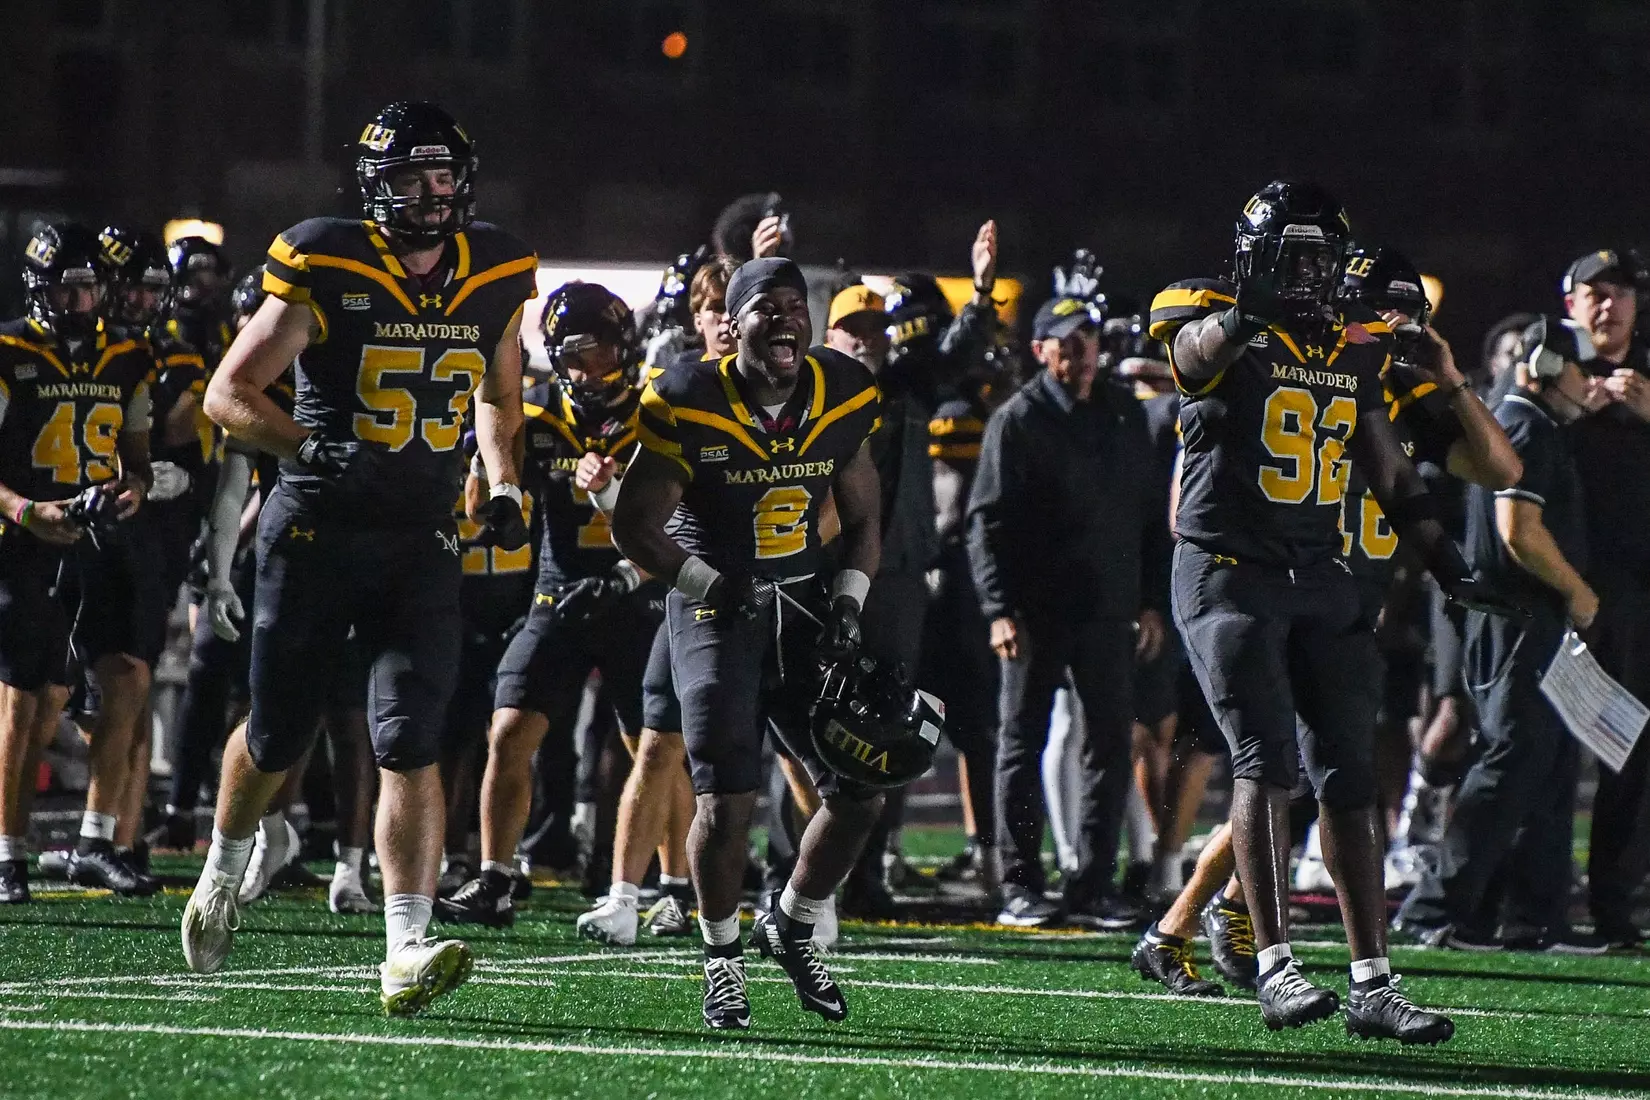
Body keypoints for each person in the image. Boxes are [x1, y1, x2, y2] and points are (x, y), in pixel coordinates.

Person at [178, 102, 537, 1018]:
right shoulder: (327, 261)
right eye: (412, 178)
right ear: (378, 186)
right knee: (279, 731)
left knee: (410, 737)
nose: (432, 195)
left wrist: (502, 482)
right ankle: (223, 866)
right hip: (317, 529)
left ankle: (405, 946)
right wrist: (305, 446)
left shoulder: (496, 271)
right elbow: (228, 393)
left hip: (419, 534)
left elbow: (500, 394)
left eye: (443, 176)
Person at [1151, 181, 1518, 1043]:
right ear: (1259, 260)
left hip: (1319, 573)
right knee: (1266, 762)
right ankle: (1275, 966)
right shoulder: (1214, 320)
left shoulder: (1353, 350)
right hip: (1229, 572)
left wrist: (1450, 566)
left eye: (1324, 260)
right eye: (1299, 258)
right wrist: (1246, 314)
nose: (1315, 276)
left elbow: (1389, 470)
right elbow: (1193, 357)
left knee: (1350, 777)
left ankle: (1373, 984)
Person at [613, 256, 884, 1030]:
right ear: (732, 326)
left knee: (862, 786)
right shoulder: (688, 396)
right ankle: (722, 960)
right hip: (715, 611)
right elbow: (633, 524)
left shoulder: (844, 389)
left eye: (797, 306)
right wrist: (708, 584)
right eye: (768, 307)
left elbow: (864, 515)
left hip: (802, 606)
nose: (787, 319)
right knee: (726, 798)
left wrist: (849, 601)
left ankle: (791, 924)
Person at [438, 283, 663, 929]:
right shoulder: (535, 413)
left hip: (642, 595)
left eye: (597, 352)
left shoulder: (658, 413)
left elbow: (682, 527)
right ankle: (495, 877)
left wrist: (626, 570)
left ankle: (674, 885)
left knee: (656, 748)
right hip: (560, 590)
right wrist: (486, 475)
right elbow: (488, 514)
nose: (585, 369)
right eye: (572, 355)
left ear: (624, 348)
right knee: (508, 727)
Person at [1396, 318, 1611, 953]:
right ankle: (1433, 908)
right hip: (1517, 617)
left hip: (1526, 618)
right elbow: (1518, 529)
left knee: (1548, 764)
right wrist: (1577, 590)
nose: (1590, 383)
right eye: (1584, 369)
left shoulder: (1529, 422)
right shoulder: (1524, 423)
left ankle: (1535, 918)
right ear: (1547, 366)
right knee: (1511, 758)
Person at [966, 294, 1167, 929]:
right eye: (1067, 341)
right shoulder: (1018, 419)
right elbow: (986, 523)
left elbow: (1146, 514)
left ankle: (1093, 884)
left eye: (1088, 339)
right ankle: (1020, 883)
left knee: (1109, 743)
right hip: (1036, 610)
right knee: (1021, 742)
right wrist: (999, 608)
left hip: (1107, 608)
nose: (1081, 352)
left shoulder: (1122, 413)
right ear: (1040, 350)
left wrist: (1150, 600)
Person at [0, 222, 155, 903]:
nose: (80, 300)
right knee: (26, 700)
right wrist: (26, 511)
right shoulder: (9, 350)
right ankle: (7, 852)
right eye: (67, 287)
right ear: (38, 288)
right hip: (26, 543)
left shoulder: (127, 355)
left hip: (98, 539)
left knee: (126, 677)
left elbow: (137, 459)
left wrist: (134, 489)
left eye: (89, 286)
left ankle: (96, 841)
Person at [826, 282, 940, 916]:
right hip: (826, 572)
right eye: (854, 329)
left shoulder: (904, 391)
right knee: (817, 716)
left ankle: (866, 873)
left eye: (875, 330)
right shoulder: (813, 394)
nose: (866, 340)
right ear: (829, 335)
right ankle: (799, 869)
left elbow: (954, 355)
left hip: (895, 576)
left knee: (890, 717)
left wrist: (980, 295)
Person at [1560, 250, 1650, 947]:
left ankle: (1615, 904)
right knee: (1549, 748)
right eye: (1594, 292)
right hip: (1564, 588)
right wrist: (1565, 408)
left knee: (1633, 747)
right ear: (1571, 304)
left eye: (1619, 293)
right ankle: (1529, 894)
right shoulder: (1546, 370)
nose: (1608, 305)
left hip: (1637, 592)